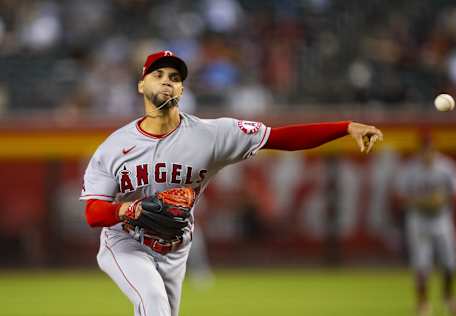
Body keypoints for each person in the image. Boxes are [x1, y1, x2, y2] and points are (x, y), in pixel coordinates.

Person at [80, 50, 383, 316]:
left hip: (175, 245)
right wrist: (127, 210)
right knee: (152, 298)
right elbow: (94, 213)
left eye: (174, 76)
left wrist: (345, 127)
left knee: (159, 310)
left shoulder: (211, 135)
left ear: (182, 88)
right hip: (125, 241)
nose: (166, 80)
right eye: (157, 74)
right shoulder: (114, 146)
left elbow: (281, 138)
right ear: (141, 85)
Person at [395, 134, 456, 316]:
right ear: (420, 151)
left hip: (441, 219)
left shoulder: (446, 167)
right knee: (421, 263)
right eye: (424, 150)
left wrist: (442, 199)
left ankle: (449, 297)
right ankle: (423, 303)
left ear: (435, 150)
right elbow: (398, 196)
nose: (427, 154)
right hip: (418, 220)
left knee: (451, 262)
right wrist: (422, 201)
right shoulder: (410, 169)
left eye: (430, 150)